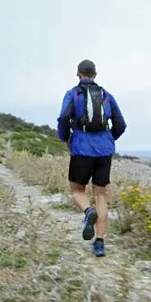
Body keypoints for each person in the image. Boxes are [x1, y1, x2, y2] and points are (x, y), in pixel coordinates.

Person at [57, 59, 127, 257]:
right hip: (104, 150)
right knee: (101, 194)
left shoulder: (73, 94)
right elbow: (121, 123)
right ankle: (99, 243)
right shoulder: (107, 95)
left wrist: (66, 138)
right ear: (95, 74)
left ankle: (88, 211)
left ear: (78, 74)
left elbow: (63, 118)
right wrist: (108, 139)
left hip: (81, 148)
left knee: (78, 188)